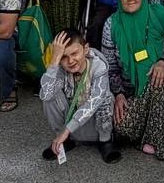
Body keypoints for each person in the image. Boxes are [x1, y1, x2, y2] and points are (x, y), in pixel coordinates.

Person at [102, 0, 164, 159]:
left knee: (159, 82)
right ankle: (148, 128)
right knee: (122, 126)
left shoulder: (159, 14)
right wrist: (118, 94)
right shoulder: (111, 24)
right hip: (130, 90)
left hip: (161, 78)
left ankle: (155, 141)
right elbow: (109, 67)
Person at [40, 28, 120, 163]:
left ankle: (106, 141)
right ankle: (64, 142)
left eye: (74, 53)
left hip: (95, 127)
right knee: (50, 94)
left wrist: (67, 130)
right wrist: (54, 61)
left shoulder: (98, 66)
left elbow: (94, 102)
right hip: (68, 131)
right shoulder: (59, 69)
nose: (70, 61)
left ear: (86, 49)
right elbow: (46, 95)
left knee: (104, 96)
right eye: (63, 57)